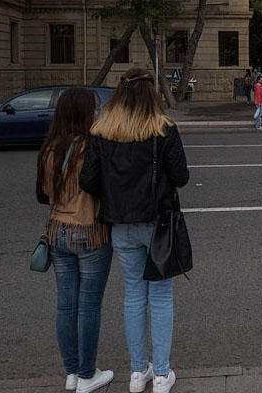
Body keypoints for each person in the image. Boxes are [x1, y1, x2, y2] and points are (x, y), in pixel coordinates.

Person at [80, 68, 189, 393]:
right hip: (157, 225)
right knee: (160, 297)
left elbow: (87, 180)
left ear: (119, 93)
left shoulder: (102, 130)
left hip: (121, 226)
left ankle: (137, 373)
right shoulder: (163, 129)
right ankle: (161, 376)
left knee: (133, 297)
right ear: (151, 94)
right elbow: (181, 176)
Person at [37, 87, 113, 393]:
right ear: (85, 113)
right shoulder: (93, 147)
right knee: (89, 308)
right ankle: (87, 374)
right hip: (89, 232)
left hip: (58, 231)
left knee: (65, 306)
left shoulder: (49, 148)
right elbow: (103, 189)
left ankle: (71, 372)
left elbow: (43, 194)